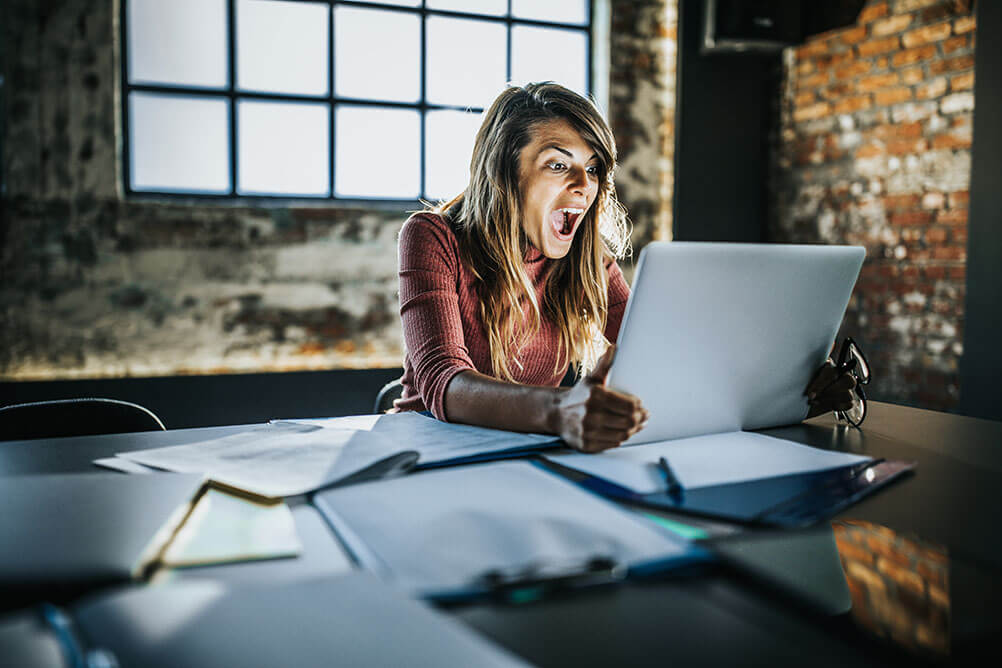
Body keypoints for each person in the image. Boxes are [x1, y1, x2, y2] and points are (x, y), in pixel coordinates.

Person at [393, 82, 854, 452]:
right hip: (425, 452)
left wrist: (794, 392)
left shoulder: (586, 259)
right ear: (504, 172)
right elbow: (442, 381)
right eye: (558, 165)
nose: (582, 186)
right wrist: (559, 411)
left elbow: (665, 360)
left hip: (525, 455)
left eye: (593, 169)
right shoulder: (433, 237)